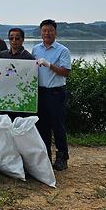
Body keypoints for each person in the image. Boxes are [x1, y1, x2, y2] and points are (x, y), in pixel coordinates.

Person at [32, 19, 72, 171]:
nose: (47, 33)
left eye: (50, 30)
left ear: (55, 32)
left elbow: (66, 72)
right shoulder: (35, 49)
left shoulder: (62, 50)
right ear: (41, 32)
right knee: (42, 126)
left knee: (58, 126)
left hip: (56, 92)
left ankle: (62, 157)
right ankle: (45, 156)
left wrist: (49, 64)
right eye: (44, 31)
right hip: (40, 92)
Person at [0, 27, 36, 121]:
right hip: (4, 96)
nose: (14, 41)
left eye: (17, 38)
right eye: (11, 38)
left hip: (20, 98)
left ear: (23, 40)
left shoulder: (29, 58)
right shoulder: (2, 54)